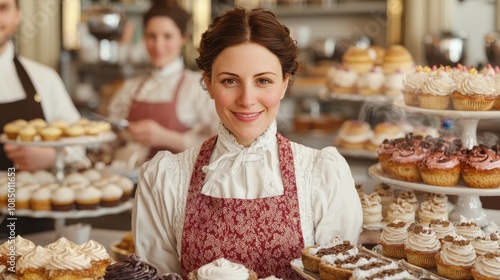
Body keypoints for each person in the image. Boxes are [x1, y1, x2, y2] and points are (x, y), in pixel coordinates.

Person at [133, 7, 363, 279]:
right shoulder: (165, 179)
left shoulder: (323, 175)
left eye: (264, 81)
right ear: (207, 81)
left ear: (285, 83)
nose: (247, 98)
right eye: (229, 81)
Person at [0, 0, 81, 236]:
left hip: (34, 233)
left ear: (18, 15)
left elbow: (85, 148)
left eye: (3, 8)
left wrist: (52, 155)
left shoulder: (44, 78)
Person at [108, 0, 218, 159]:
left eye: (167, 36)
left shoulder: (198, 87)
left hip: (180, 182)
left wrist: (166, 138)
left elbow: (219, 142)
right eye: (151, 36)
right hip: (130, 179)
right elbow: (111, 136)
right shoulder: (131, 87)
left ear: (183, 38)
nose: (158, 45)